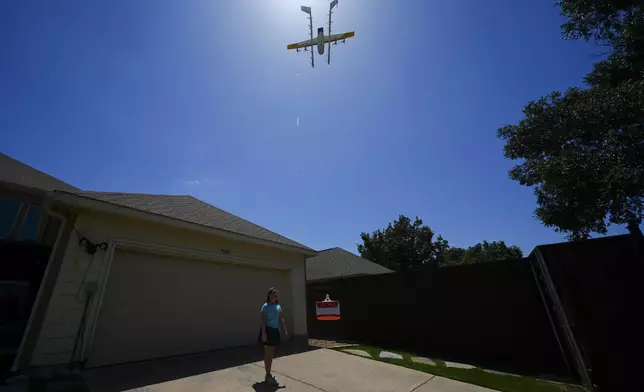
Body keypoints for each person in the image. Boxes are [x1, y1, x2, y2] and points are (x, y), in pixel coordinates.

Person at [259, 287, 288, 386]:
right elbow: (263, 321)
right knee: (268, 353)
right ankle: (267, 374)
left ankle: (268, 374)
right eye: (273, 293)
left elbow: (281, 319)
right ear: (269, 295)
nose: (275, 295)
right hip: (267, 330)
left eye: (276, 293)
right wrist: (264, 333)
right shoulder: (265, 306)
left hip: (275, 331)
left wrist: (284, 329)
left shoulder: (278, 306)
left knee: (271, 353)